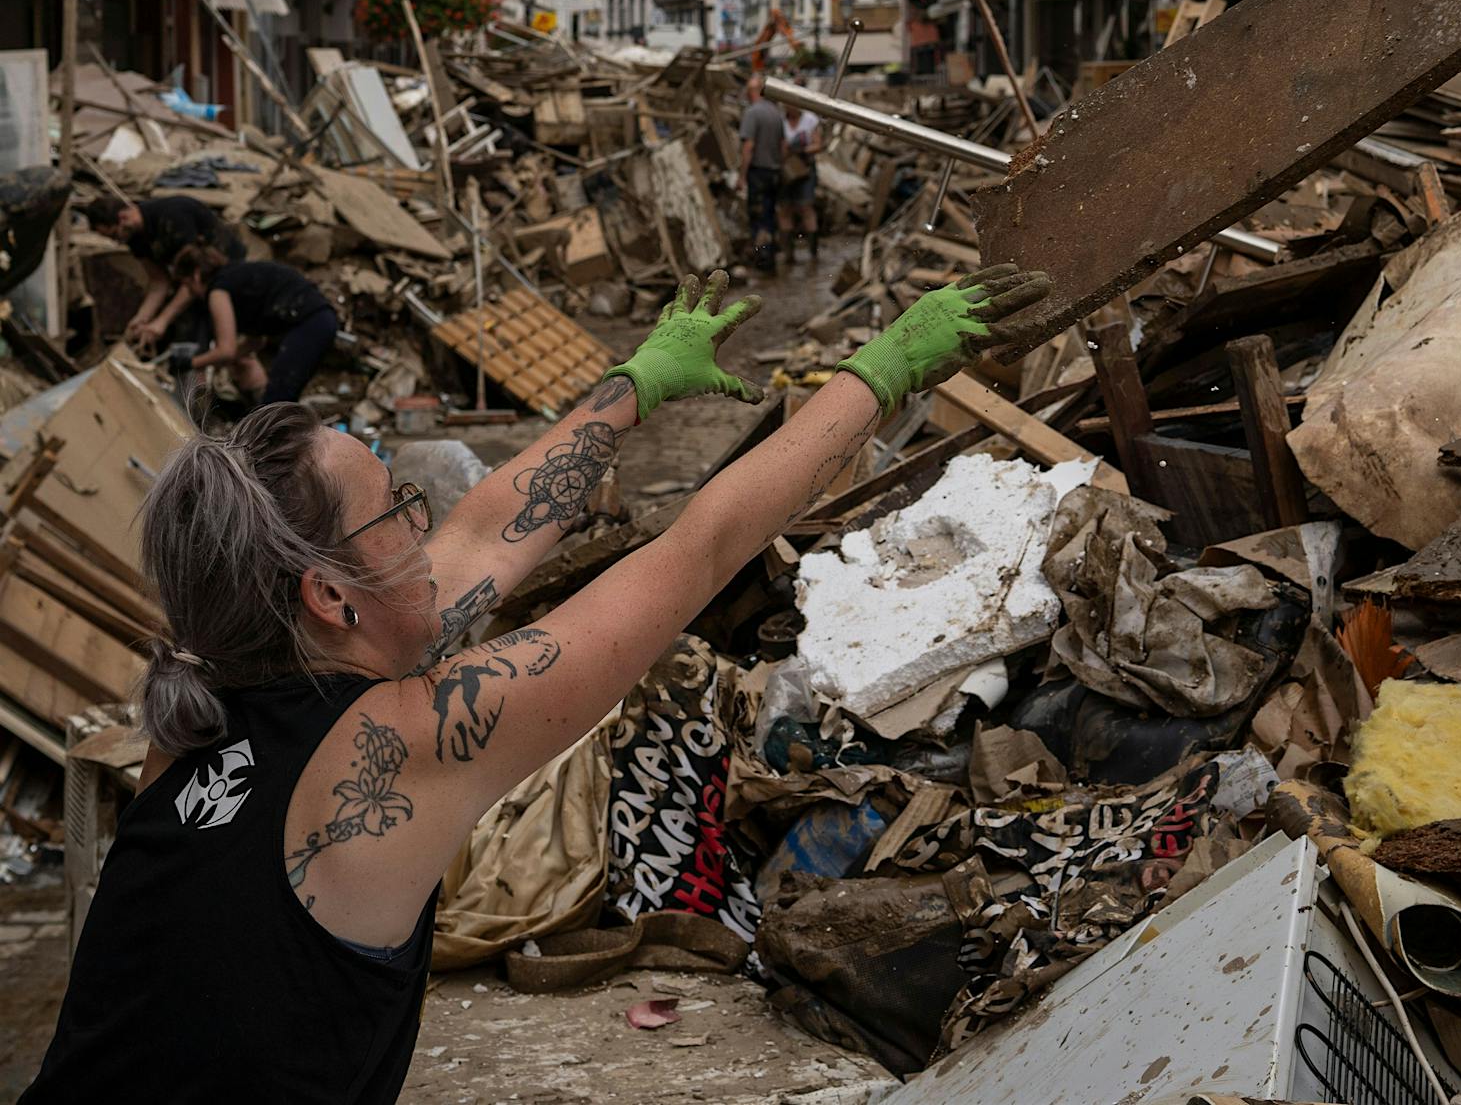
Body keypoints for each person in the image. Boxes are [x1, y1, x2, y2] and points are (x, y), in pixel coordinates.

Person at [23, 264, 1051, 1102]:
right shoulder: (400, 743)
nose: (425, 525)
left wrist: (635, 385)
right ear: (329, 596)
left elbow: (480, 536)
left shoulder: (195, 715)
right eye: (397, 513)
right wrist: (878, 373)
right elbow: (698, 549)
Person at [170, 246, 339, 407]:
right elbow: (255, 342)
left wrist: (189, 363)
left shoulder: (218, 290)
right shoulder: (236, 278)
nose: (191, 293)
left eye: (188, 286)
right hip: (322, 319)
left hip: (310, 321)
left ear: (196, 276)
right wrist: (219, 362)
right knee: (280, 395)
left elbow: (226, 350)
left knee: (277, 398)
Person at [82, 193, 247, 351]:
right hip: (195, 282)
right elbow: (159, 282)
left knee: (211, 336)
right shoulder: (134, 236)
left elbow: (197, 277)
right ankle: (191, 370)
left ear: (123, 218)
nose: (118, 241)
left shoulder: (174, 215)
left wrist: (162, 321)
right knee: (185, 336)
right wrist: (141, 318)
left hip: (224, 273)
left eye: (115, 235)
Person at [737, 72, 787, 274]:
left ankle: (763, 259)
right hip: (774, 172)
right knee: (769, 214)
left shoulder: (752, 113)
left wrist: (742, 175)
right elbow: (783, 146)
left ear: (753, 91)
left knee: (758, 216)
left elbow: (748, 146)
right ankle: (771, 256)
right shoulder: (776, 113)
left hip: (758, 172)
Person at [778, 99, 823, 264]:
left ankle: (813, 252)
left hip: (805, 169)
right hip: (786, 170)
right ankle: (789, 254)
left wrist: (802, 150)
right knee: (785, 208)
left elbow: (818, 144)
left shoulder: (810, 120)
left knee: (806, 207)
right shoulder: (780, 121)